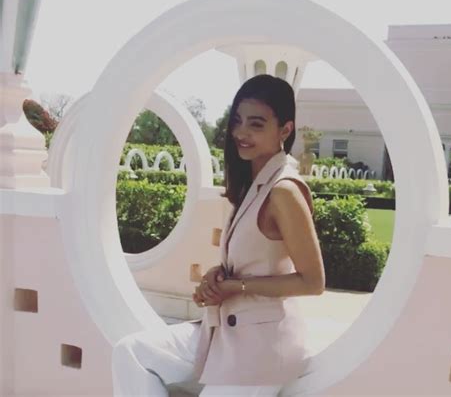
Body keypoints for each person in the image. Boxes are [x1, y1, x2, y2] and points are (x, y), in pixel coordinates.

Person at [112, 74, 325, 396]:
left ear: (285, 130)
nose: (241, 133)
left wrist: (236, 287)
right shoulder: (253, 186)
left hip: (261, 346)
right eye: (237, 121)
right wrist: (218, 276)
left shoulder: (284, 191)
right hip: (225, 329)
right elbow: (254, 259)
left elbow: (312, 282)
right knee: (132, 353)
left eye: (256, 124)